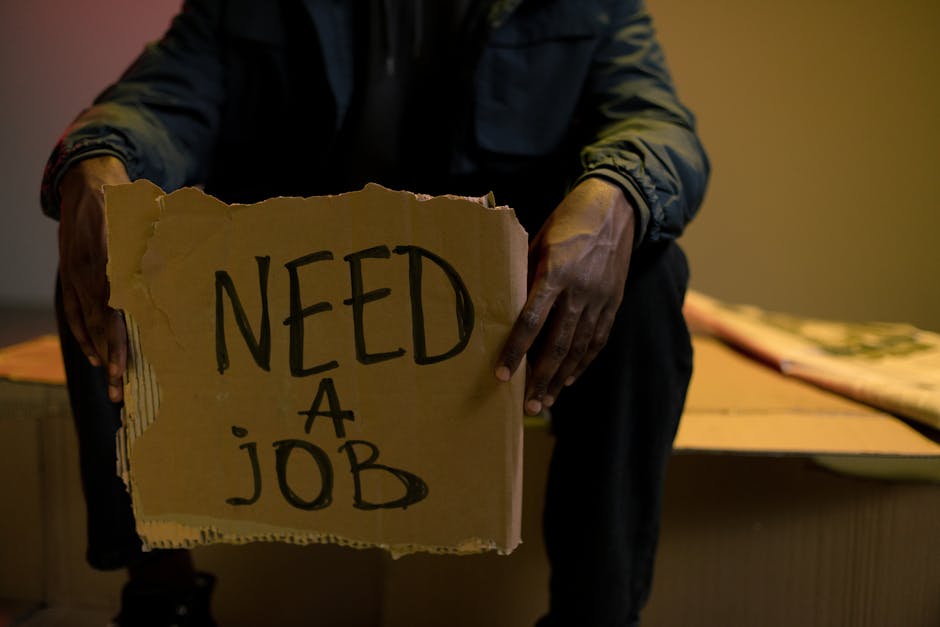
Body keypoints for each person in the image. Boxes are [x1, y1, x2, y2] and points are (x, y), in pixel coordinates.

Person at [42, 1, 708, 625]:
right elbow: (157, 100)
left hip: (497, 316)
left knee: (649, 276)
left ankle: (594, 613)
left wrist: (621, 191)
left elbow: (655, 120)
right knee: (100, 242)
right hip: (291, 303)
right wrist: (96, 160)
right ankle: (162, 592)